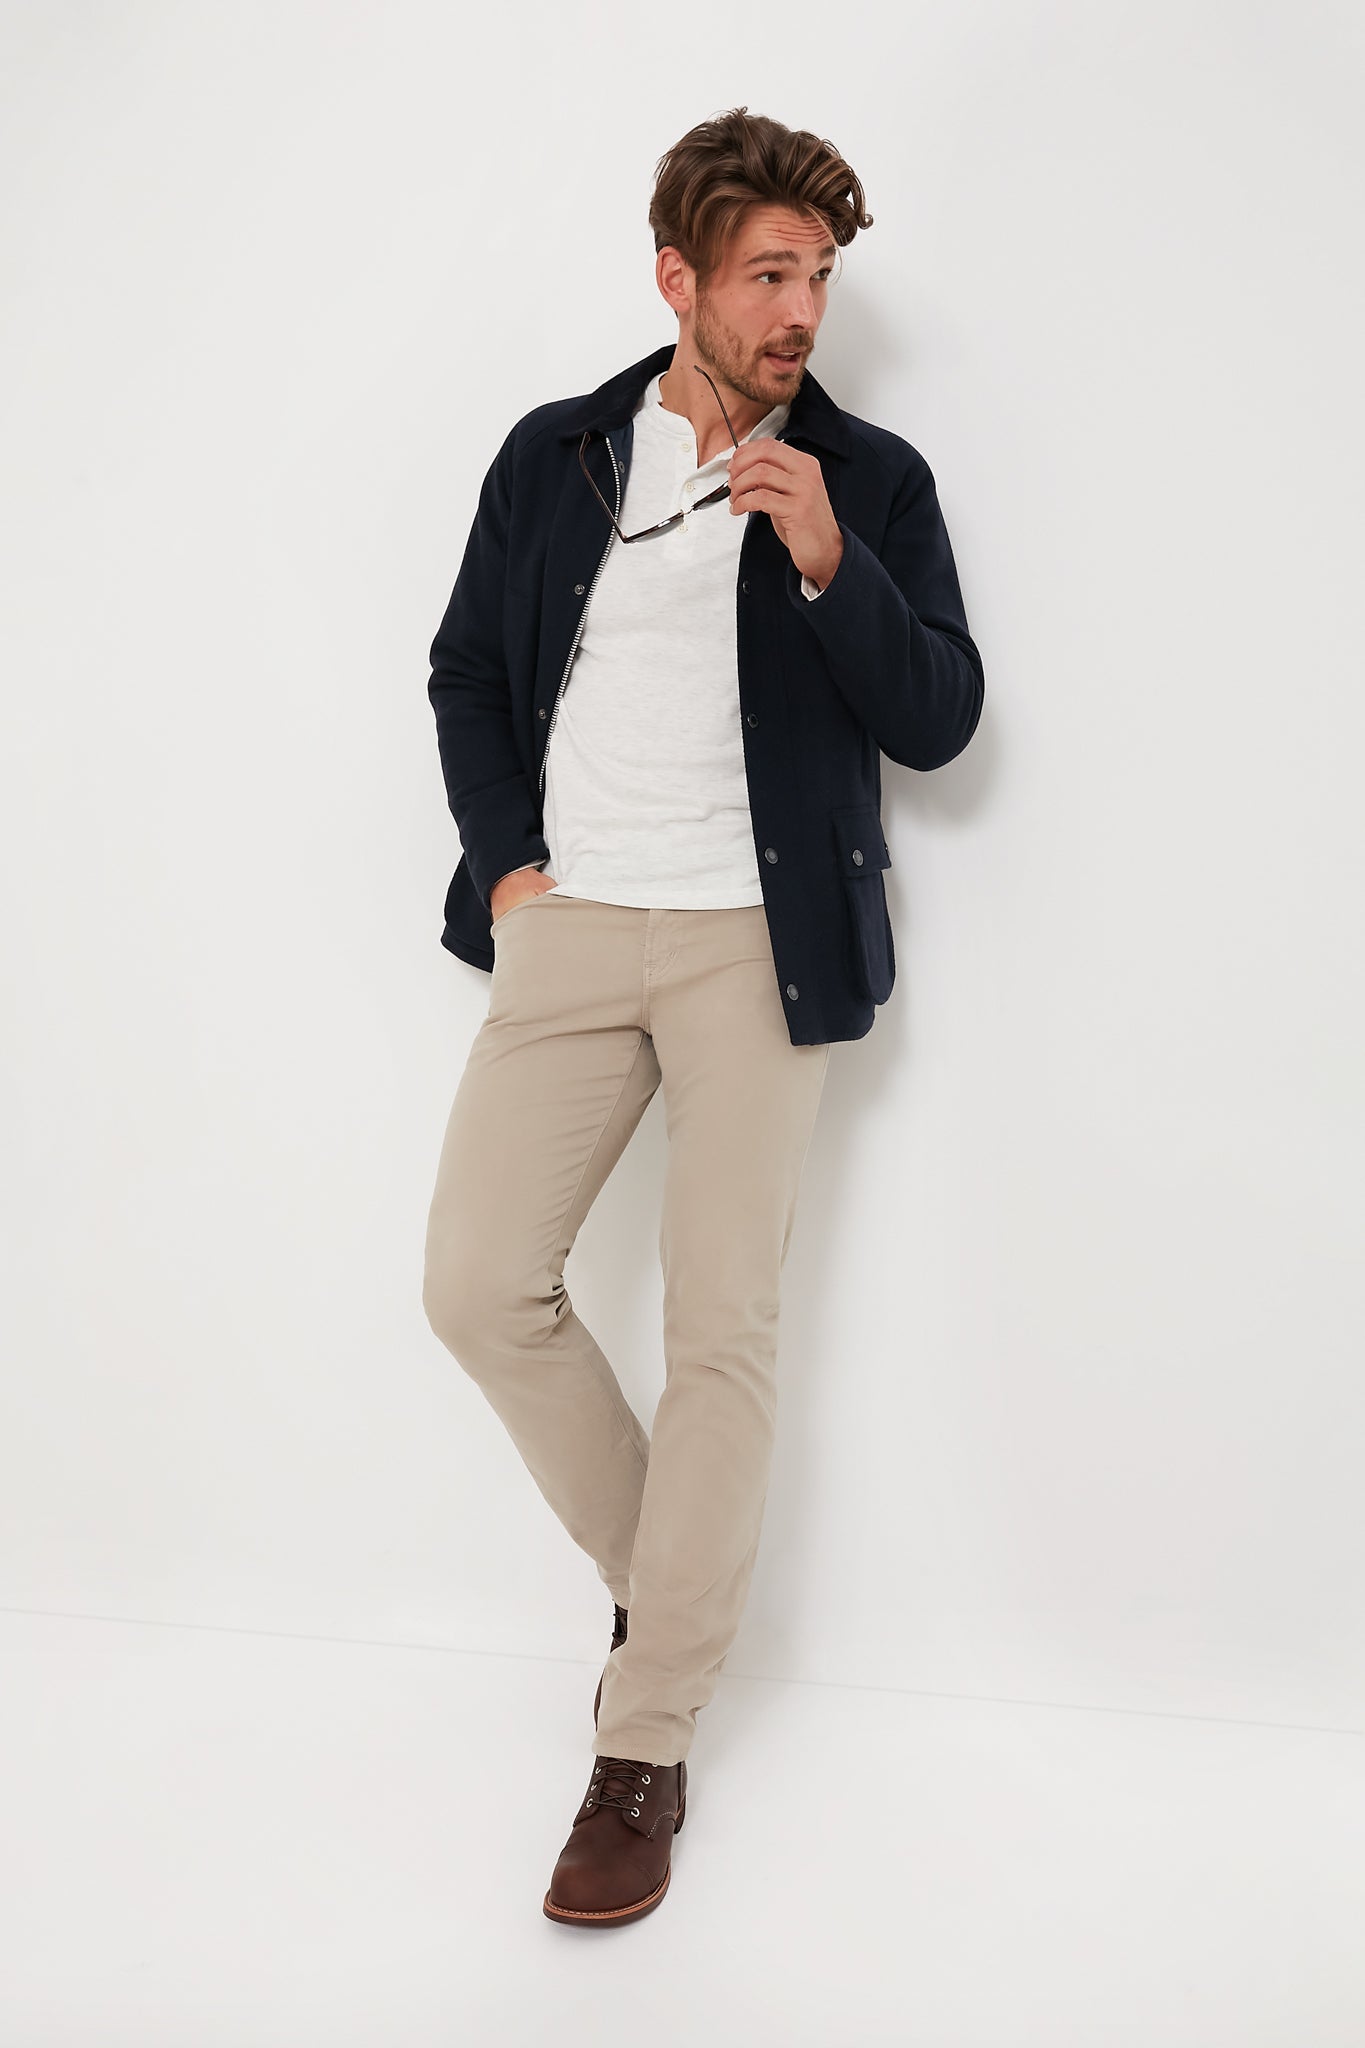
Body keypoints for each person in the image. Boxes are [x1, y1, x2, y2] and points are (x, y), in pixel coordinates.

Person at [421, 106, 984, 1927]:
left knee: (720, 1332)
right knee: (477, 1286)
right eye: (764, 274)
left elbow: (941, 718)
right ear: (677, 278)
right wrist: (511, 869)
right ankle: (666, 1591)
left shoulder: (869, 479)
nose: (797, 308)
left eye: (817, 275)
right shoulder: (558, 451)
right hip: (572, 926)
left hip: (760, 944)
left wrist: (829, 563)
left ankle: (644, 1735)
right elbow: (467, 669)